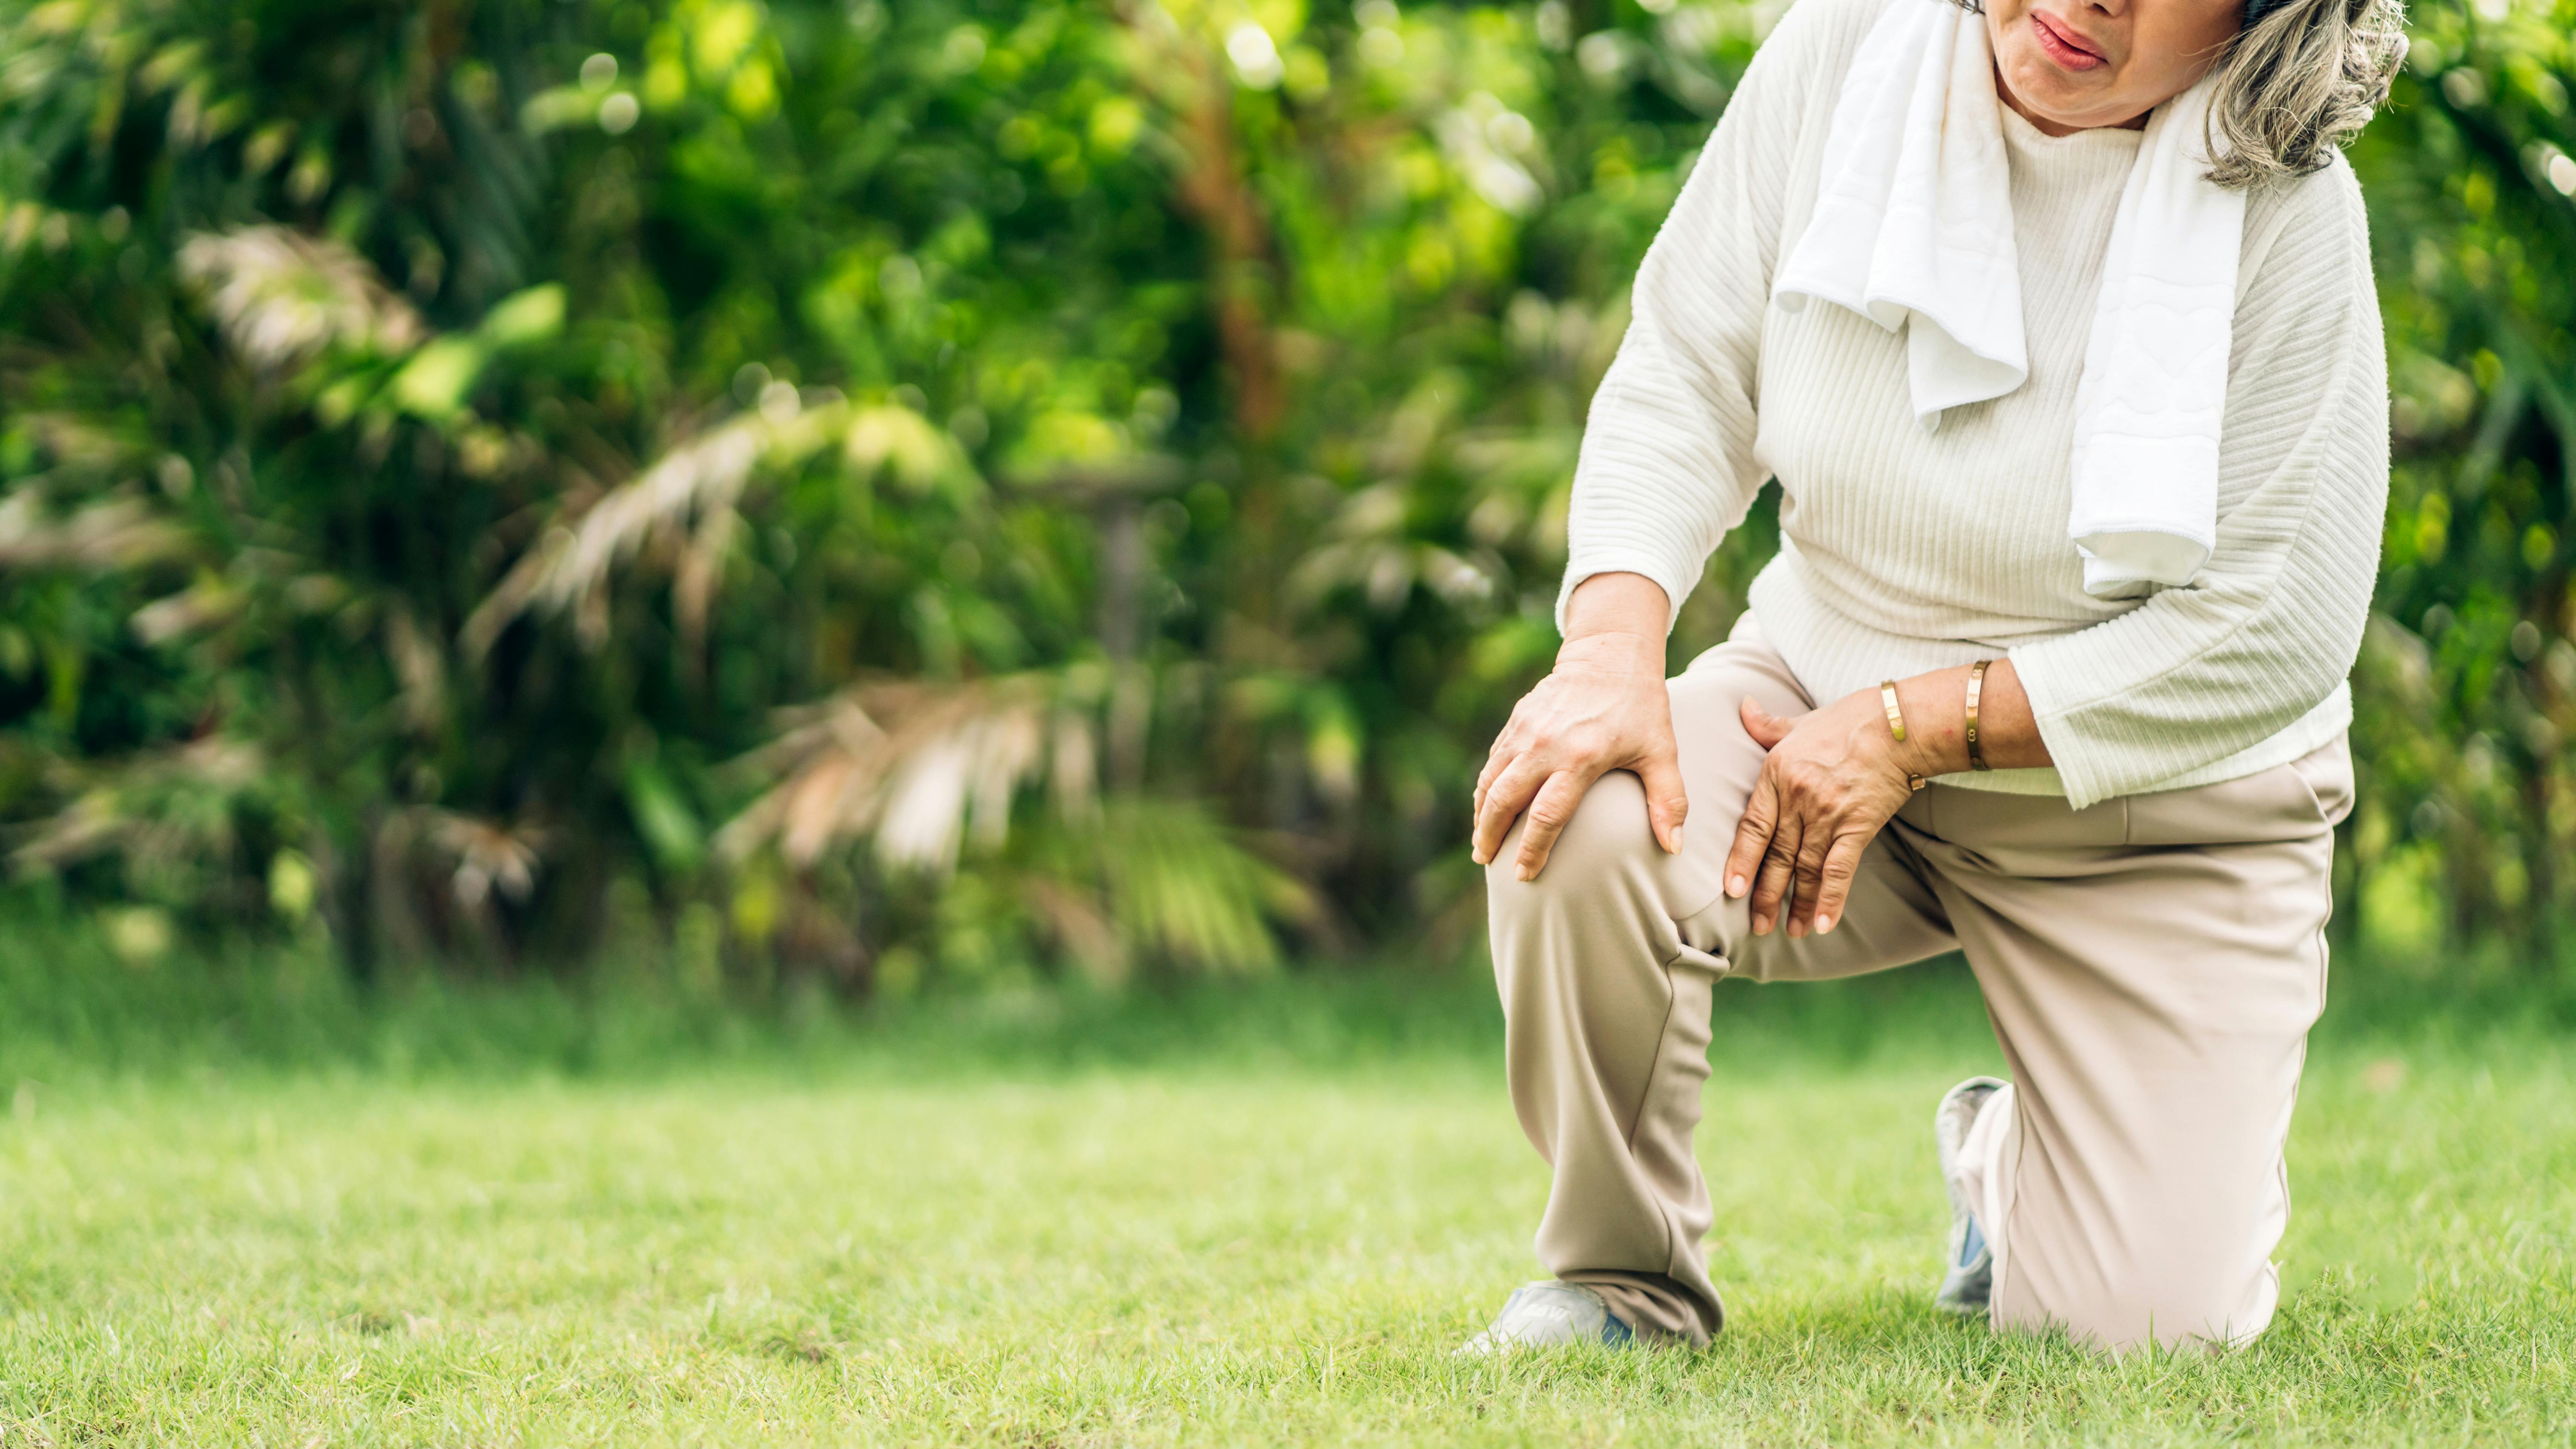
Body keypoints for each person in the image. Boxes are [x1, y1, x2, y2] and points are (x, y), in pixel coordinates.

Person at [1459, 0, 2406, 1355]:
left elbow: (2271, 626)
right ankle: (1622, 1281)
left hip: (2153, 816)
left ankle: (2005, 1167)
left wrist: (1913, 730)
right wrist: (1609, 651)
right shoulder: (1841, 53)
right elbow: (1687, 368)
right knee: (1583, 802)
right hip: (1816, 704)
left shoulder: (2294, 208)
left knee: (2146, 1333)